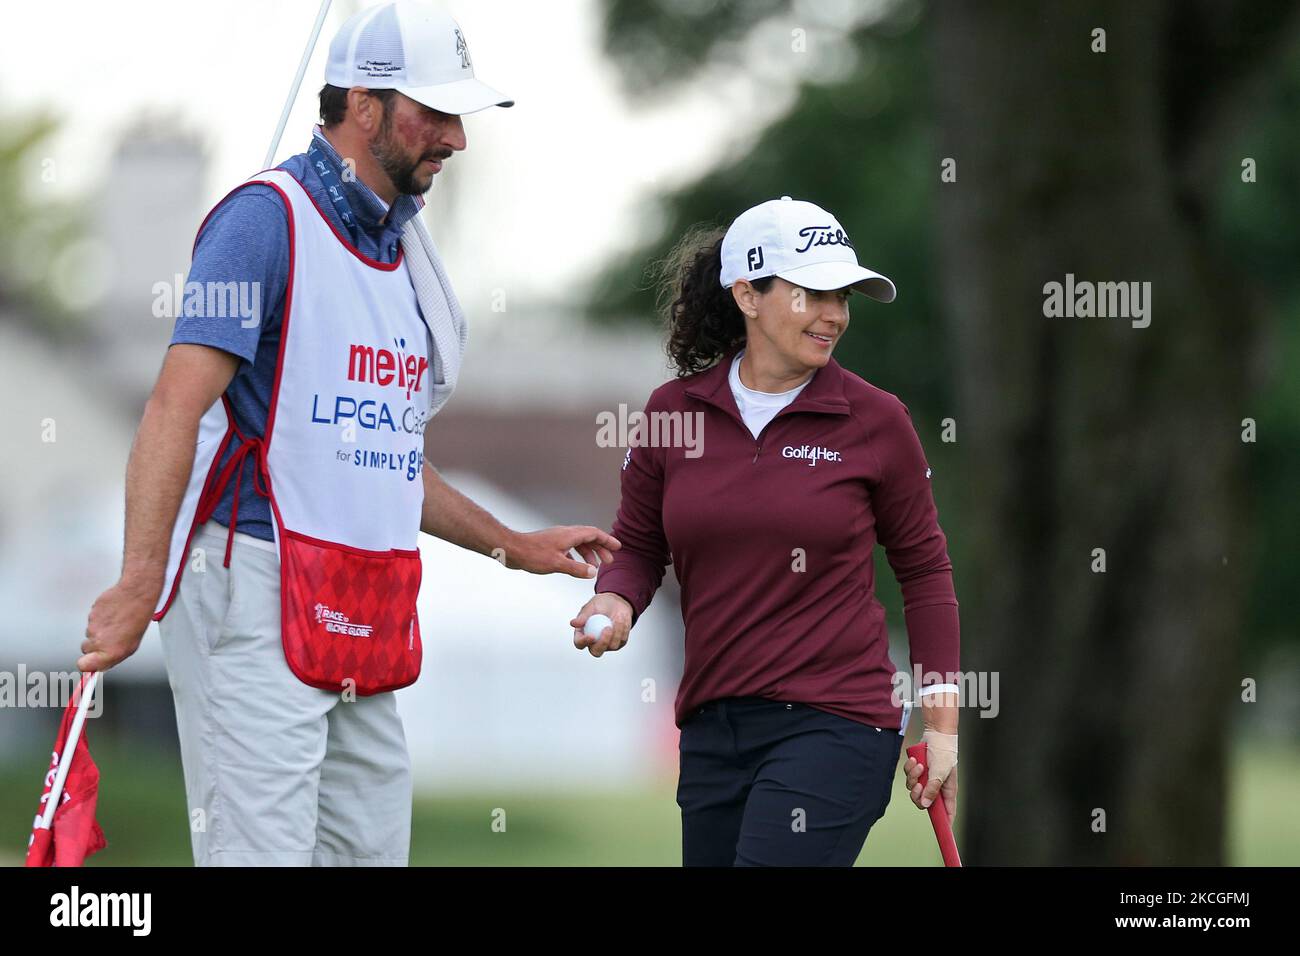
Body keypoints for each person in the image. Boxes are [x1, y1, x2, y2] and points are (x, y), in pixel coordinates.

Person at [79, 2, 618, 866]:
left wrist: (512, 544)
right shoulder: (263, 220)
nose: (456, 138)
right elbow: (173, 409)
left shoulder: (401, 254)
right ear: (365, 105)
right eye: (434, 113)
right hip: (251, 591)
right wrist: (138, 580)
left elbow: (383, 454)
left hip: (362, 602)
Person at [570, 197, 960, 866]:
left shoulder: (876, 420)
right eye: (813, 294)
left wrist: (944, 725)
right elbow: (637, 547)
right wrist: (617, 598)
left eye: (844, 296)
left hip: (837, 721)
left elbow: (924, 572)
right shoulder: (674, 413)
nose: (836, 314)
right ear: (747, 293)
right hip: (713, 728)